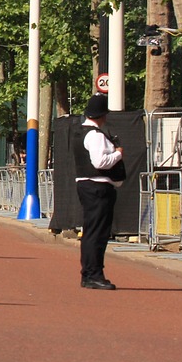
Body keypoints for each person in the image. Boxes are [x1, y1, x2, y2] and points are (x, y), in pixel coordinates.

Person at [74, 94, 125, 289]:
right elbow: (100, 162)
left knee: (91, 231)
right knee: (98, 233)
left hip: (87, 186)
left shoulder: (79, 132)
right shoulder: (95, 135)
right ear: (102, 115)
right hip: (98, 187)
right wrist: (118, 154)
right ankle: (93, 274)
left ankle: (90, 273)